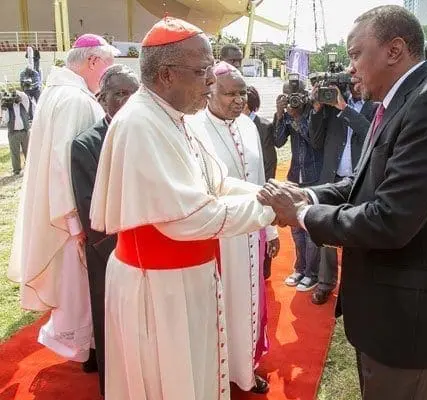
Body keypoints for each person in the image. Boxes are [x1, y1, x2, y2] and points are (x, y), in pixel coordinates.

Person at [259, 5, 427, 399]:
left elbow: (390, 218)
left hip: (407, 316)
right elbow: (362, 185)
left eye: (355, 54)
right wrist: (307, 193)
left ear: (394, 50)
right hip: (390, 306)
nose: (350, 68)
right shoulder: (404, 100)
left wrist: (302, 214)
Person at [89, 18, 275, 399]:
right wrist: (274, 211)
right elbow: (190, 217)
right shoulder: (141, 123)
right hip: (158, 290)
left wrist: (269, 194)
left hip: (188, 280)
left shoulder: (175, 117)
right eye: (202, 70)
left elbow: (217, 181)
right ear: (168, 74)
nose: (211, 79)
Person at [7, 34, 118, 364]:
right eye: (107, 64)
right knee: (80, 287)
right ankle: (90, 349)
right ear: (93, 62)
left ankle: (88, 347)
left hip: (60, 205)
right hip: (73, 211)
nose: (108, 72)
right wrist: (76, 219)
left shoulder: (58, 93)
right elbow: (66, 164)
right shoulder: (76, 100)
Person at [192, 61, 279, 394]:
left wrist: (269, 229)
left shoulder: (248, 125)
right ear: (210, 90)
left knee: (250, 304)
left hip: (251, 232)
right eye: (230, 93)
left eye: (242, 92)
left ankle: (245, 369)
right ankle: (217, 372)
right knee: (222, 304)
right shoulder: (194, 126)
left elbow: (258, 180)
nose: (238, 99)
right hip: (218, 236)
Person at [70, 64, 139, 395]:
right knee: (110, 321)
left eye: (134, 94)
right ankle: (113, 386)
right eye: (120, 94)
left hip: (149, 247)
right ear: (102, 99)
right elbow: (90, 209)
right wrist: (120, 249)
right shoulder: (85, 145)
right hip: (109, 250)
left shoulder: (147, 134)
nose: (128, 100)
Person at [308, 82, 376, 305]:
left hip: (360, 180)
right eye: (352, 80)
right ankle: (326, 283)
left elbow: (371, 134)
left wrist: (343, 107)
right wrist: (317, 109)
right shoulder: (329, 105)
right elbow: (315, 141)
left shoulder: (376, 105)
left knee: (358, 232)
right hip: (333, 177)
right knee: (327, 230)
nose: (356, 84)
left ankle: (356, 286)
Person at [274, 80, 323, 292]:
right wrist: (279, 114)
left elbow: (314, 140)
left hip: (315, 176)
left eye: (295, 95)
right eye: (288, 96)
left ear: (305, 95)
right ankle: (300, 268)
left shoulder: (315, 112)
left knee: (310, 229)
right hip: (294, 175)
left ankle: (312, 273)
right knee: (295, 229)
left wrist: (296, 117)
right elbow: (277, 141)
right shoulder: (287, 113)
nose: (293, 100)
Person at [244, 85, 278, 280]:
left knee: (264, 227)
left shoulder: (263, 126)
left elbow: (269, 161)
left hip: (260, 185)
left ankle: (264, 270)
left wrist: (264, 187)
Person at [0, 89, 31, 175]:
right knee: (15, 153)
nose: (16, 98)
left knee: (28, 151)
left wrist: (15, 92)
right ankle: (17, 170)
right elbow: (6, 121)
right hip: (13, 133)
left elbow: (24, 96)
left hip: (25, 132)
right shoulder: (8, 107)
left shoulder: (24, 105)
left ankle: (30, 167)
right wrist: (4, 109)